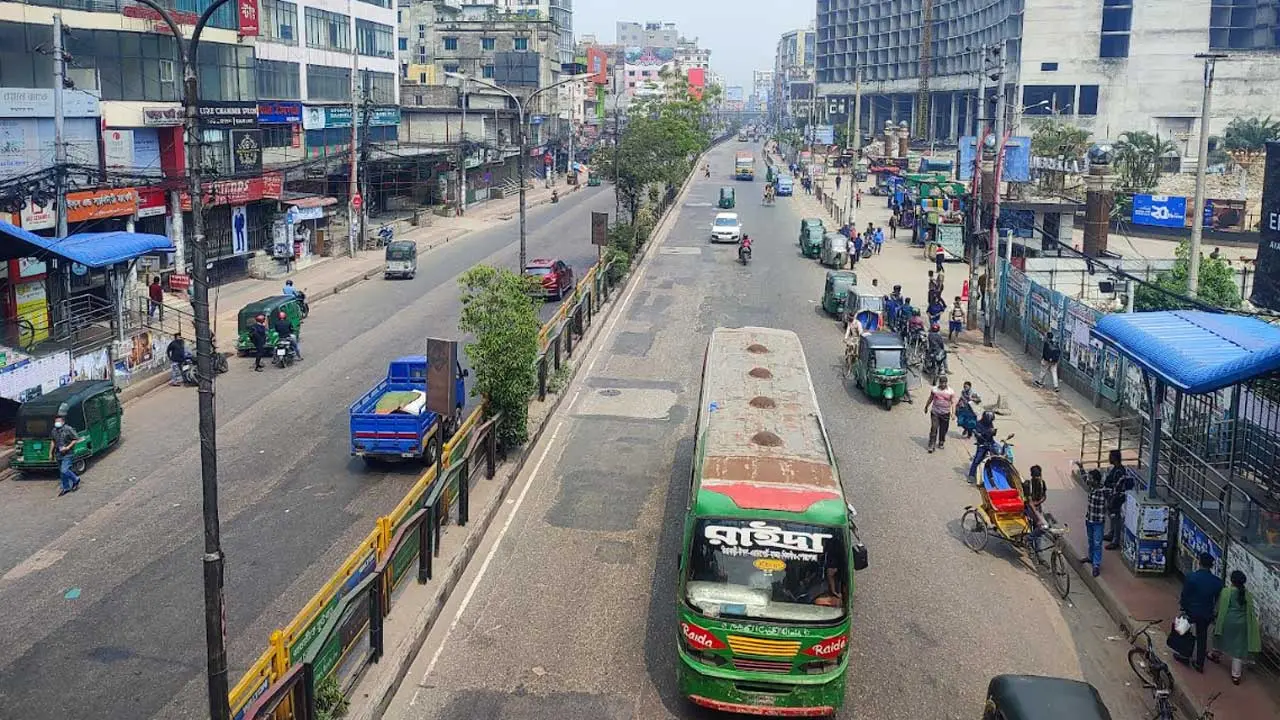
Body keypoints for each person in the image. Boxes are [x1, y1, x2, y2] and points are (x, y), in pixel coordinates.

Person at [1179, 552, 1225, 672]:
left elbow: (1185, 595)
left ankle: (1185, 655)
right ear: (1211, 566)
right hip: (1206, 613)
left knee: (1184, 631)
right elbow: (1217, 600)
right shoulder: (1217, 582)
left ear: (1199, 563)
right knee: (1202, 637)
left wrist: (1183, 608)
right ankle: (1200, 663)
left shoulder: (1191, 577)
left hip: (1191, 611)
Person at [1214, 569, 1262, 685]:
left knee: (1219, 637)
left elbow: (1220, 608)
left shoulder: (1226, 592)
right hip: (1242, 624)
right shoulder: (1247, 594)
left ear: (1232, 580)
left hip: (1228, 621)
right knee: (1238, 650)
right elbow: (1251, 611)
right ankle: (1236, 675)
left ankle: (1215, 654)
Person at [1103, 449, 1134, 549]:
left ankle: (1115, 541)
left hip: (1116, 498)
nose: (1109, 458)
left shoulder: (1119, 471)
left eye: (1110, 457)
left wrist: (1112, 499)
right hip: (1112, 496)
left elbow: (1117, 487)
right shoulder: (1116, 469)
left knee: (1116, 518)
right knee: (1112, 517)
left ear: (1115, 458)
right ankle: (1111, 534)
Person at [1083, 469, 1109, 577]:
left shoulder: (1103, 491)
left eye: (1091, 478)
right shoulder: (1092, 487)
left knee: (1097, 543)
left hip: (1098, 521)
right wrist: (1080, 467)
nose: (1089, 480)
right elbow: (1084, 478)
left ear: (1096, 480)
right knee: (1090, 540)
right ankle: (1090, 557)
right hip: (1089, 519)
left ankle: (1096, 564)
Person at [52, 412, 83, 496]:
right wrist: (51, 453)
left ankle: (76, 479)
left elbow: (75, 439)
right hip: (58, 453)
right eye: (56, 421)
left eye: (58, 421)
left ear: (63, 422)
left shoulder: (68, 429)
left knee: (64, 470)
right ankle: (66, 487)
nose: (57, 423)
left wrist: (68, 447)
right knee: (62, 473)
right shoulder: (54, 430)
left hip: (68, 453)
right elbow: (53, 441)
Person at [925, 375, 956, 453]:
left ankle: (941, 441)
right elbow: (930, 398)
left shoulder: (950, 392)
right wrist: (926, 406)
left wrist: (953, 413)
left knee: (943, 429)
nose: (943, 385)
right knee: (934, 428)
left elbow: (953, 403)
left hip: (945, 413)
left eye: (944, 383)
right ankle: (931, 444)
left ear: (946, 383)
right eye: (941, 383)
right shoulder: (934, 390)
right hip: (935, 412)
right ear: (939, 383)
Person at [1022, 464, 1048, 551]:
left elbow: (1044, 496)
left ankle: (1038, 549)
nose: (1038, 478)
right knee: (1043, 526)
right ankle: (1028, 538)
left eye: (1039, 476)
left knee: (1039, 528)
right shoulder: (1027, 485)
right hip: (1029, 508)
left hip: (1038, 507)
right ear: (1032, 476)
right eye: (1036, 476)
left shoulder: (1042, 482)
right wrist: (1038, 516)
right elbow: (1029, 502)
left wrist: (1038, 503)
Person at [967, 411, 997, 483]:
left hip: (990, 443)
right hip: (982, 444)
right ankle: (971, 475)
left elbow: (992, 435)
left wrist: (993, 432)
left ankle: (992, 475)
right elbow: (979, 436)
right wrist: (987, 432)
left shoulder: (990, 424)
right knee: (977, 459)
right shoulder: (979, 424)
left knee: (995, 457)